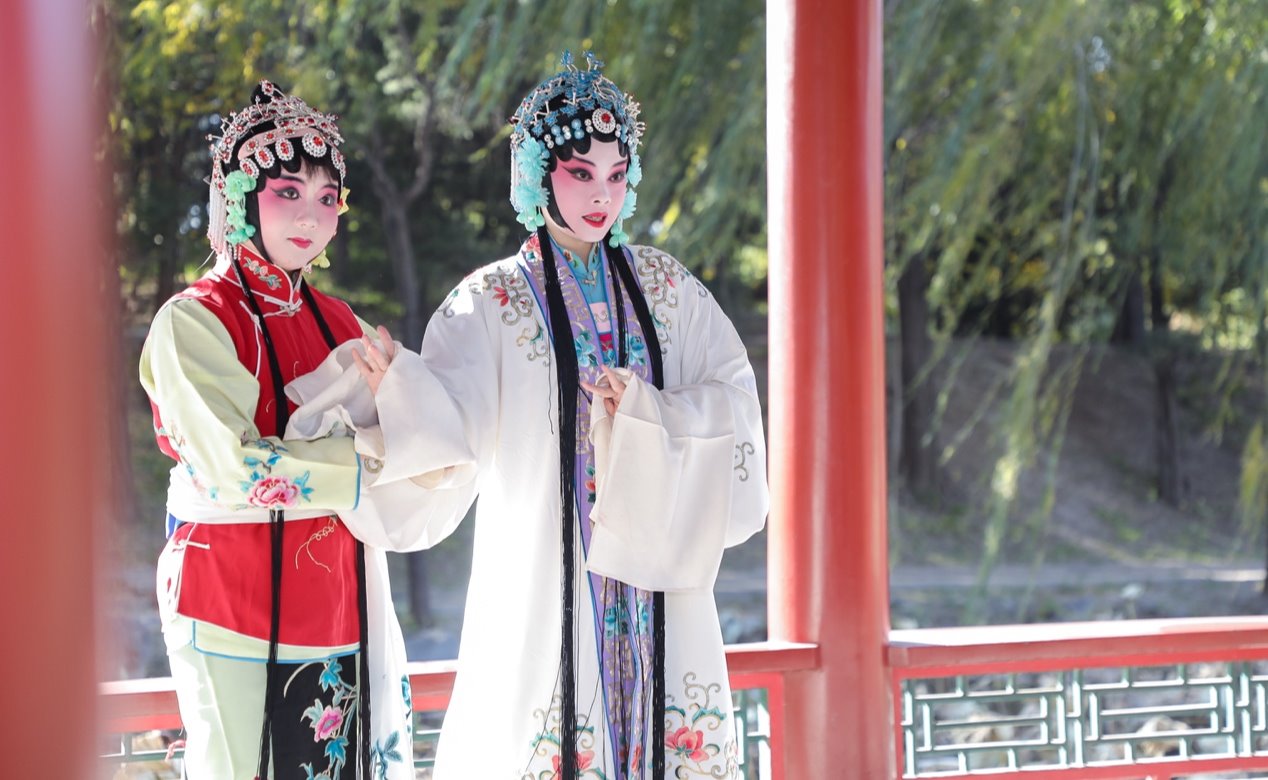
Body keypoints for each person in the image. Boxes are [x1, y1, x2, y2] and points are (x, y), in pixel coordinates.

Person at [329, 51, 769, 779]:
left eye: (616, 175)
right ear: (537, 174)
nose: (602, 194)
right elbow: (453, 428)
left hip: (659, 578)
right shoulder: (490, 302)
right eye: (580, 172)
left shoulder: (668, 288)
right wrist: (403, 390)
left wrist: (650, 412)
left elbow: (735, 397)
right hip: (546, 572)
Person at [139, 81, 445, 779]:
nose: (311, 214)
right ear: (240, 199)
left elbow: (422, 434)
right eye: (287, 192)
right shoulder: (193, 321)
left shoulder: (342, 323)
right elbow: (236, 468)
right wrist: (374, 459)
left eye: (327, 197)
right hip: (225, 601)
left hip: (335, 606)